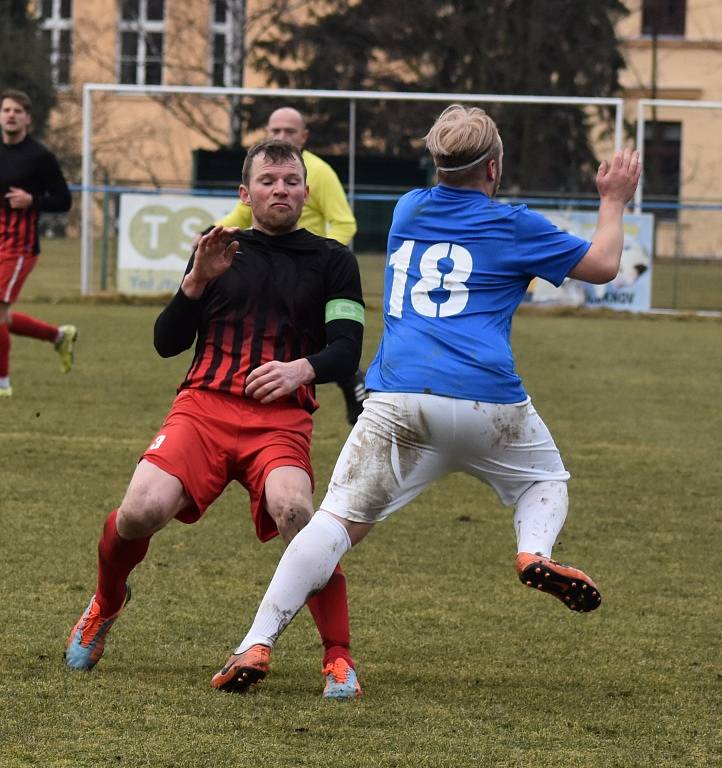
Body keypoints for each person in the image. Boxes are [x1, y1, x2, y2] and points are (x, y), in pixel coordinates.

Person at [208, 105, 642, 694]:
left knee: (332, 525)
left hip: (399, 399)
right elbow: (606, 265)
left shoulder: (407, 208)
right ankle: (532, 551)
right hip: (487, 401)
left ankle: (255, 643)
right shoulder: (514, 224)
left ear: (436, 164)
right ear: (494, 167)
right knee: (544, 484)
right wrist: (613, 197)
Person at [64, 139, 366, 699]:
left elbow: (347, 350)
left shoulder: (334, 260)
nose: (282, 189)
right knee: (139, 512)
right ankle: (106, 601)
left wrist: (300, 369)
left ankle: (338, 658)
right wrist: (196, 281)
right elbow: (165, 342)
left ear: (306, 191)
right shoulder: (217, 249)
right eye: (269, 181)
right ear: (245, 194)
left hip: (279, 420)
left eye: (292, 181)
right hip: (202, 407)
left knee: (299, 513)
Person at [216, 106, 366, 425]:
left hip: (306, 268)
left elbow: (344, 222)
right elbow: (241, 216)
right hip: (270, 263)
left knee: (324, 334)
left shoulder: (319, 172)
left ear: (304, 137)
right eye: (275, 131)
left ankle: (351, 381)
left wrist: (324, 260)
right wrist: (210, 233)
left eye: (289, 132)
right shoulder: (260, 168)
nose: (282, 137)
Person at [0, 89, 76, 397]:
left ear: (28, 118)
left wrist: (32, 200)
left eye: (18, 110)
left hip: (19, 246)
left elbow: (64, 200)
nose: (11, 115)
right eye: (6, 110)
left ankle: (2, 383)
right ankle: (59, 336)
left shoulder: (40, 157)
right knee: (3, 316)